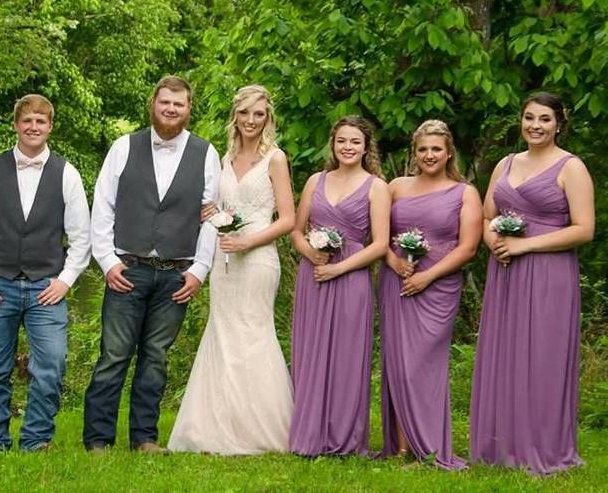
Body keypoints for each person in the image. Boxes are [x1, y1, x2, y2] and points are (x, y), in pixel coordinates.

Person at [83, 76, 221, 453]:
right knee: (114, 355)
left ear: (189, 108)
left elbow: (212, 215)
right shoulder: (123, 147)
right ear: (153, 104)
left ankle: (145, 438)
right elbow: (103, 206)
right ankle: (98, 439)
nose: (171, 109)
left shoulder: (206, 153)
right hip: (127, 268)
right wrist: (108, 261)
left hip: (177, 273)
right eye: (165, 103)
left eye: (179, 104)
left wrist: (199, 270)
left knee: (156, 358)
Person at [470, 93, 594, 475]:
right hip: (505, 272)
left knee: (542, 354)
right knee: (505, 351)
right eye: (528, 118)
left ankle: (543, 444)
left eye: (544, 119)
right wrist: (494, 242)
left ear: (559, 123)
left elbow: (584, 229)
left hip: (549, 275)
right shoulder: (506, 164)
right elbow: (487, 215)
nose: (535, 126)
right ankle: (502, 443)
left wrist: (526, 245)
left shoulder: (571, 167)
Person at [168, 85, 295, 454]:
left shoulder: (276, 158)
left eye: (259, 114)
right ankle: (216, 429)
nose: (251, 121)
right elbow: (221, 206)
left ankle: (262, 430)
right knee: (223, 332)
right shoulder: (224, 157)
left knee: (253, 332)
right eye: (245, 113)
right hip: (225, 262)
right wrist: (213, 214)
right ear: (235, 116)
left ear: (267, 117)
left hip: (257, 259)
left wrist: (249, 242)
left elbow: (287, 219)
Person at [0, 94, 91, 453]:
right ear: (16, 125)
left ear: (50, 127)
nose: (33, 127)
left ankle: (36, 439)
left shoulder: (66, 173)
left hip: (45, 287)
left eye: (41, 121)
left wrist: (65, 281)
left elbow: (81, 237)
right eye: (27, 121)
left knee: (51, 364)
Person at [378, 120, 480, 469]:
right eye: (423, 149)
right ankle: (404, 447)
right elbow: (378, 237)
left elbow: (467, 248)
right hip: (396, 283)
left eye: (436, 149)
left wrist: (429, 275)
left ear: (448, 151)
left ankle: (429, 445)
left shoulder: (464, 192)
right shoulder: (395, 187)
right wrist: (392, 261)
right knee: (399, 363)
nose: (429, 155)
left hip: (438, 286)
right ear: (414, 152)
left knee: (423, 364)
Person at [288, 115, 389, 457]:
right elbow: (296, 229)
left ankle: (343, 438)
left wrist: (339, 268)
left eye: (355, 142)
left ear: (365, 147)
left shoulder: (376, 187)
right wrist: (310, 254)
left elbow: (379, 244)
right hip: (313, 276)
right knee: (310, 351)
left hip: (351, 278)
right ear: (333, 144)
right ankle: (309, 432)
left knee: (347, 356)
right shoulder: (316, 180)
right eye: (342, 141)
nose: (348, 147)